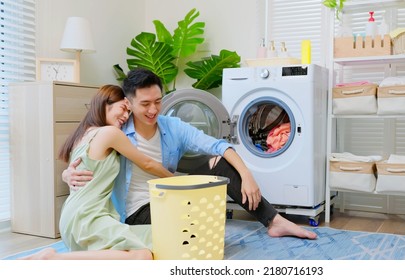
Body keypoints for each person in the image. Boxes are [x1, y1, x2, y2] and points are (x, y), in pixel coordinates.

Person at [64, 68, 317, 240]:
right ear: (129, 103)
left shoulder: (171, 126)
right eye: (145, 104)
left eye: (158, 101)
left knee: (218, 163)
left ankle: (274, 221)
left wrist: (247, 174)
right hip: (135, 213)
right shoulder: (118, 129)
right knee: (200, 230)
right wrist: (68, 173)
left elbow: (219, 146)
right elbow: (86, 154)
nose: (153, 110)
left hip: (169, 197)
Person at [22, 85, 173, 260]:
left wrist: (66, 174)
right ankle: (51, 259)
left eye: (128, 112)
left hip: (73, 218)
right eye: (123, 108)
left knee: (156, 238)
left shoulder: (82, 135)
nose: (125, 116)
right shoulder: (110, 133)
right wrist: (182, 183)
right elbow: (146, 163)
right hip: (88, 217)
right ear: (104, 104)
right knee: (143, 256)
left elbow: (75, 170)